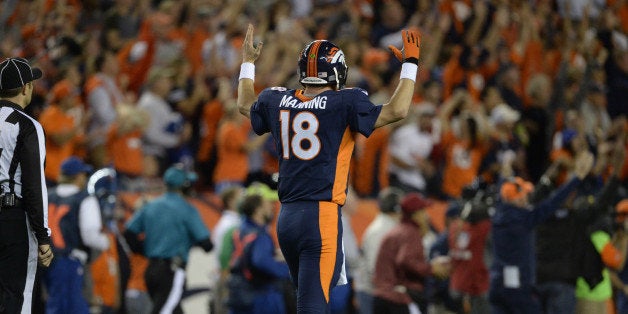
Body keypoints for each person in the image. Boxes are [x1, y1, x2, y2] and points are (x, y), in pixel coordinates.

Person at [237, 23, 421, 313]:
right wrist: (410, 65)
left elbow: (246, 104)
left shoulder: (276, 99)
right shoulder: (344, 101)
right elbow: (397, 110)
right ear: (337, 71)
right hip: (320, 216)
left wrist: (247, 63)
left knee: (306, 300)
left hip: (286, 218)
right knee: (313, 306)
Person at [488, 149, 594, 314]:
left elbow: (504, 186)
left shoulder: (499, 212)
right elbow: (553, 203)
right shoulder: (523, 219)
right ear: (516, 199)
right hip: (518, 290)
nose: (526, 198)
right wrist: (577, 179)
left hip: (496, 285)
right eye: (523, 195)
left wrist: (506, 168)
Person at [0, 57, 54, 313]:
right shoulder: (27, 125)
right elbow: (34, 185)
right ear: (25, 88)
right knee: (16, 295)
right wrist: (42, 236)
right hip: (12, 217)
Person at [123, 164, 213, 314]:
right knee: (164, 310)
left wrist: (145, 249)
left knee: (174, 310)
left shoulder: (151, 206)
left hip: (151, 270)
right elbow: (207, 244)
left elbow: (128, 234)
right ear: (184, 185)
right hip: (172, 271)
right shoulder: (186, 209)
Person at [44, 156, 110, 314]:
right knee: (72, 308)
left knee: (53, 304)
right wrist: (106, 241)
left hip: (45, 261)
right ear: (79, 176)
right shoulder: (84, 199)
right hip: (69, 260)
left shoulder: (47, 196)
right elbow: (90, 235)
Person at [372, 192, 450, 314]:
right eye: (423, 211)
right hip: (398, 299)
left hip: (382, 297)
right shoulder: (411, 232)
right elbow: (405, 260)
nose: (426, 216)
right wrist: (431, 269)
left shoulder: (398, 230)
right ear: (416, 214)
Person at [227, 191, 291, 314]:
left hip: (238, 293)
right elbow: (261, 261)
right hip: (260, 295)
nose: (272, 208)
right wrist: (288, 272)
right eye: (268, 206)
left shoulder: (240, 230)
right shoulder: (260, 235)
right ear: (258, 210)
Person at [354, 187, 403, 314]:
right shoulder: (381, 230)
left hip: (376, 290)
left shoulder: (387, 226)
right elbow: (375, 268)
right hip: (371, 292)